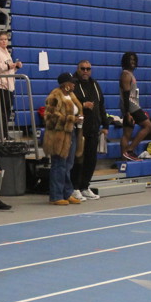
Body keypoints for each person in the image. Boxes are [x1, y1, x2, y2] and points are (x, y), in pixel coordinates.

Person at [44, 72, 85, 205]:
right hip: (58, 136)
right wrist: (72, 119)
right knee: (59, 165)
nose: (74, 84)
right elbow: (50, 117)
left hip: (71, 133)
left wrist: (78, 119)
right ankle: (56, 195)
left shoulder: (71, 96)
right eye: (72, 82)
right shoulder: (54, 96)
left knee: (68, 165)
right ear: (65, 84)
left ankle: (67, 193)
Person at [70, 60, 107, 202]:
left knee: (91, 159)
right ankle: (75, 187)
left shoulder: (95, 84)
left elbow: (101, 105)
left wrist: (105, 125)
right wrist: (83, 105)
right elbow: (68, 103)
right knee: (78, 159)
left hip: (93, 127)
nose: (85, 71)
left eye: (88, 69)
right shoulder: (73, 84)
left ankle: (85, 186)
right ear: (78, 69)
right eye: (83, 68)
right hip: (79, 129)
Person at [0, 32, 22, 139]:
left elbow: (8, 70)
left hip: (7, 85)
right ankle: (0, 133)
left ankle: (4, 133)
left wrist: (15, 67)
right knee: (1, 111)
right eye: (1, 39)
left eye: (6, 39)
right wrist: (8, 66)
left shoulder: (6, 52)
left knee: (6, 110)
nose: (4, 41)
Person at [119, 52, 151, 162]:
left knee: (127, 133)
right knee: (148, 126)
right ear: (125, 61)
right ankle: (129, 150)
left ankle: (124, 159)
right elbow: (126, 95)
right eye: (130, 59)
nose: (132, 62)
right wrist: (127, 113)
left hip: (131, 106)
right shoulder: (126, 75)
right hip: (131, 107)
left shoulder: (130, 74)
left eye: (134, 60)